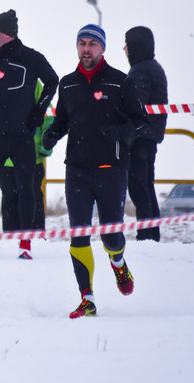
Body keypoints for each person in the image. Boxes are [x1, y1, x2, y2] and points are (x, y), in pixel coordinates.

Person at [42, 24, 150, 319]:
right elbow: (62, 120)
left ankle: (118, 262)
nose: (86, 49)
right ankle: (87, 298)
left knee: (110, 237)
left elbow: (141, 121)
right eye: (81, 44)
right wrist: (52, 135)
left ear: (102, 48)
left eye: (92, 44)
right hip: (76, 169)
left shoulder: (119, 82)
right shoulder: (68, 84)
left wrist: (120, 132)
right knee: (79, 235)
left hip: (111, 169)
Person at [0, 9, 58, 258]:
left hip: (22, 137)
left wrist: (39, 110)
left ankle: (25, 241)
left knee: (27, 189)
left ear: (6, 34)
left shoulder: (31, 58)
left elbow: (53, 81)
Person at [0, 80, 55, 259]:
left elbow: (49, 115)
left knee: (32, 196)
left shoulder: (34, 84)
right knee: (10, 199)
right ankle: (12, 241)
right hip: (4, 160)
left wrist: (45, 146)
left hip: (32, 156)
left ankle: (35, 241)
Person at [124, 26, 168, 241]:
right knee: (147, 188)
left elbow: (136, 109)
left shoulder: (140, 70)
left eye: (127, 44)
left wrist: (126, 138)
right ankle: (152, 235)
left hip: (140, 139)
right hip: (149, 137)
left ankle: (146, 236)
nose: (125, 49)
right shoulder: (154, 68)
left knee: (139, 189)